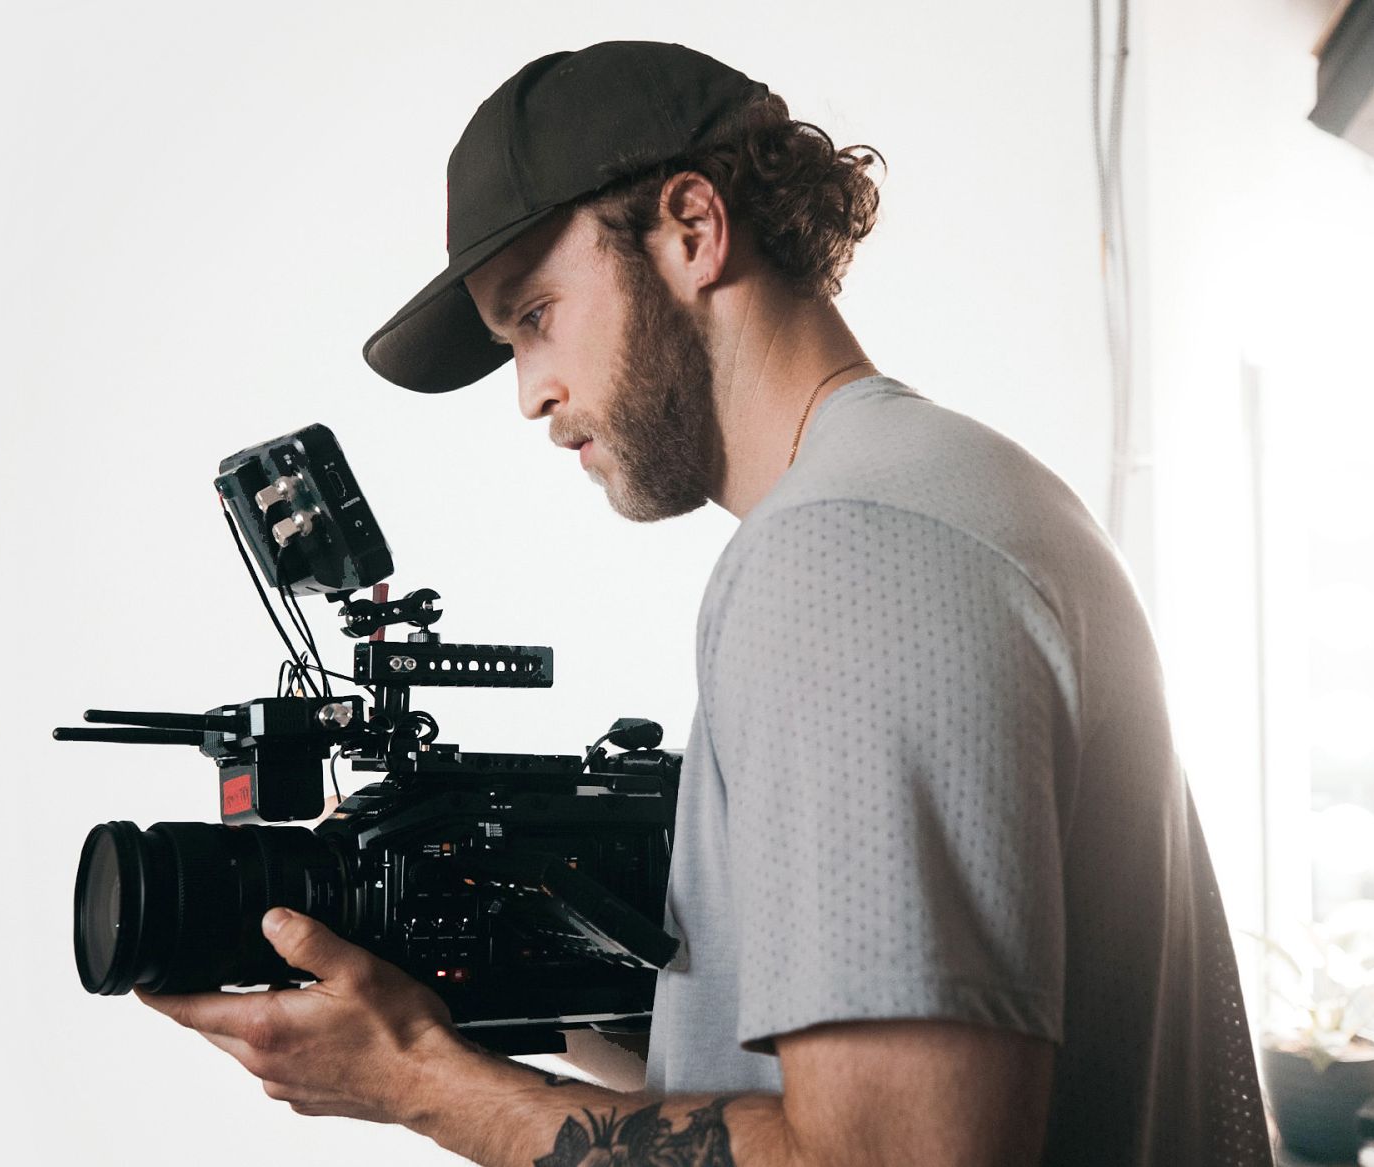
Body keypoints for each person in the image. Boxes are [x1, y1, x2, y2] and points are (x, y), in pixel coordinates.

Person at [138, 40, 1274, 1166]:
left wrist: (420, 1085)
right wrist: (490, 995)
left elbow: (896, 1154)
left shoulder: (843, 554)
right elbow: (824, 1093)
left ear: (691, 228)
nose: (530, 392)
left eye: (535, 315)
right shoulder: (961, 490)